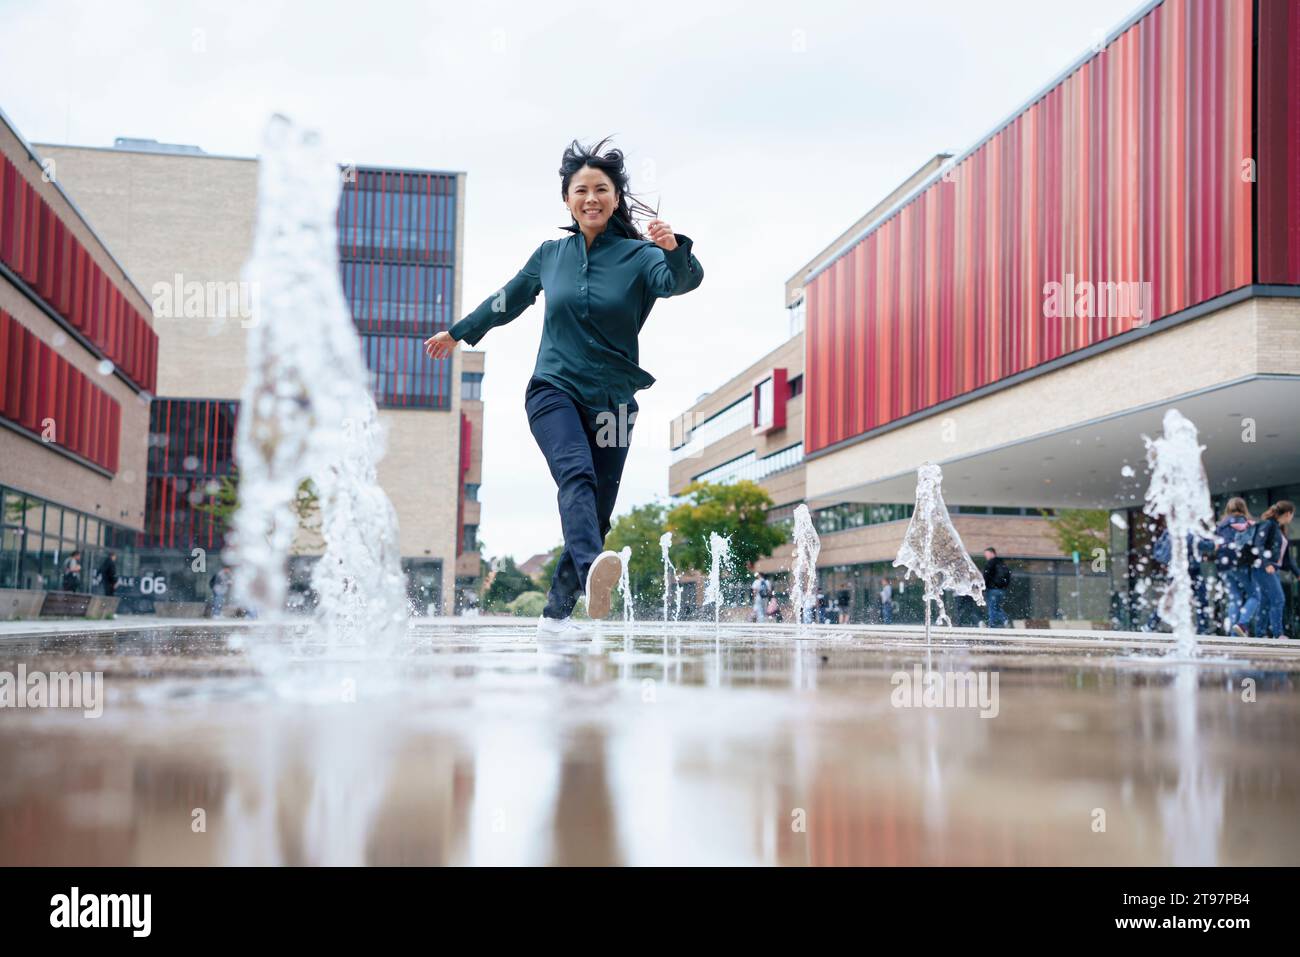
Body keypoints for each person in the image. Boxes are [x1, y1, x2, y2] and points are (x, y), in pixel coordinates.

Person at [424, 138, 703, 638]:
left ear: (616, 198)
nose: (591, 197)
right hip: (553, 389)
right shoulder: (551, 255)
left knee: (598, 511)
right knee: (576, 474)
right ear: (567, 200)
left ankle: (554, 617)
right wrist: (459, 331)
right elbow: (506, 299)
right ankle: (595, 564)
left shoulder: (641, 256)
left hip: (615, 402)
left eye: (602, 189)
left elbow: (679, 282)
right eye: (581, 190)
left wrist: (675, 249)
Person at [1235, 500, 1297, 639]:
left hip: (1269, 568)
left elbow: (1287, 557)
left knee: (1266, 601)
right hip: (1263, 568)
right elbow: (1258, 543)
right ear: (1288, 513)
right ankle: (1278, 633)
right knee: (1278, 599)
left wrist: (1297, 573)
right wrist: (1266, 562)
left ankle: (1260, 633)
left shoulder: (1279, 529)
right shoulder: (1268, 524)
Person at [1213, 498, 1255, 636]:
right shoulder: (1244, 522)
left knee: (1234, 598)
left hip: (1223, 565)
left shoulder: (1221, 525)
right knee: (1255, 595)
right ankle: (1242, 624)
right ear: (1243, 508)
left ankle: (1233, 633)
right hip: (1239, 563)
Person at [982, 548, 1012, 628]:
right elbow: (1008, 576)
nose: (986, 556)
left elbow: (986, 575)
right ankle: (1004, 621)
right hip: (1001, 590)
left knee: (992, 608)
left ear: (992, 553)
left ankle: (992, 624)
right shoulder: (1002, 563)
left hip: (992, 589)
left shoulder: (991, 563)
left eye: (987, 554)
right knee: (997, 607)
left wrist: (984, 586)